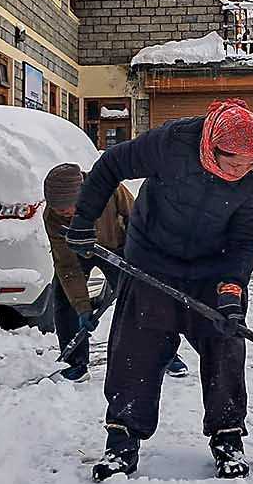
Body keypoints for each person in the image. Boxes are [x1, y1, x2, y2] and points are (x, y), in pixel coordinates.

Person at [66, 99, 253, 481]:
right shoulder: (174, 143)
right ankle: (122, 441)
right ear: (211, 147)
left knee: (226, 342)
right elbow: (111, 165)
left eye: (249, 165)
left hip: (212, 267)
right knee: (135, 350)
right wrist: (83, 219)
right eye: (233, 164)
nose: (240, 173)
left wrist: (232, 291)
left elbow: (244, 239)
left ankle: (227, 437)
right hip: (152, 260)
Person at [41, 163, 188, 382]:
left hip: (117, 246)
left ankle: (166, 354)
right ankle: (76, 362)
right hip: (77, 252)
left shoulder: (109, 190)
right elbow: (67, 266)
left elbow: (138, 219)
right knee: (64, 299)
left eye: (68, 208)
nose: (65, 215)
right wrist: (82, 307)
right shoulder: (53, 219)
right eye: (59, 210)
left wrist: (138, 256)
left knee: (142, 298)